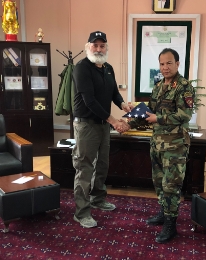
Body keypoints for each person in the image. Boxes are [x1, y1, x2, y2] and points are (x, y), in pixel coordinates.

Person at [120, 48, 194, 243]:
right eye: (162, 64)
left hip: (175, 146)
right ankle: (163, 213)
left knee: (171, 186)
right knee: (159, 182)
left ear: (178, 64)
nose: (165, 67)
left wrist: (158, 118)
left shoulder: (184, 87)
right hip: (158, 144)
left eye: (169, 63)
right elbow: (148, 112)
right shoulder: (158, 86)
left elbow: (185, 115)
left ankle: (171, 225)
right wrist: (128, 121)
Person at [72, 30, 132, 228]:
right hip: (86, 125)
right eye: (95, 45)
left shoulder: (108, 68)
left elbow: (114, 92)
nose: (98, 49)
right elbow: (89, 101)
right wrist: (114, 121)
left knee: (102, 164)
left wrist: (123, 104)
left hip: (103, 125)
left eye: (102, 45)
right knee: (85, 168)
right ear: (88, 46)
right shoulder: (81, 68)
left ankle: (98, 198)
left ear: (106, 47)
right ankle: (81, 212)